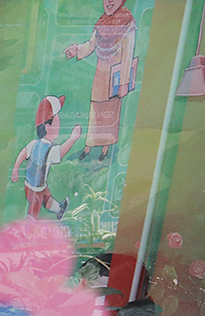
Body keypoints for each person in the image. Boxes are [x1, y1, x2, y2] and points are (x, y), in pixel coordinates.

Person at [64, 0, 137, 162]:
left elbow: (128, 54)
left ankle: (105, 148)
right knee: (96, 111)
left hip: (115, 79)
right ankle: (88, 147)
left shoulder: (127, 22)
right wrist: (78, 49)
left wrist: (124, 82)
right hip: (100, 76)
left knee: (110, 112)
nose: (109, 1)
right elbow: (91, 44)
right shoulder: (102, 21)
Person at [11, 95, 81, 220]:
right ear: (48, 127)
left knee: (47, 196)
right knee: (34, 212)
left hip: (32, 185)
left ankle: (59, 209)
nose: (59, 124)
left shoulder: (34, 144)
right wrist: (72, 138)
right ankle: (29, 228)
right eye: (57, 119)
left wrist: (16, 169)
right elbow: (61, 152)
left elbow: (23, 153)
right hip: (36, 189)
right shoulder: (50, 150)